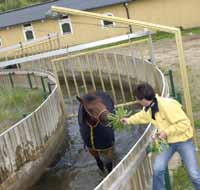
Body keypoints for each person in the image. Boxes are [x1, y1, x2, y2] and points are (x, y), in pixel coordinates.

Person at [121, 82, 200, 190]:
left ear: (143, 99)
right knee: (158, 169)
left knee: (194, 174)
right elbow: (141, 116)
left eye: (137, 98)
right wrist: (128, 120)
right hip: (166, 143)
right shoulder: (149, 107)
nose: (137, 101)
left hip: (183, 140)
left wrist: (166, 132)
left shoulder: (168, 105)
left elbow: (185, 123)